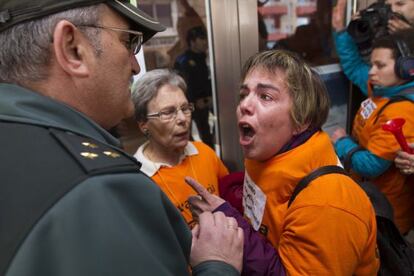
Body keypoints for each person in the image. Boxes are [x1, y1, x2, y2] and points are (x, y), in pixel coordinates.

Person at [0, 1, 243, 275]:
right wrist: (217, 265)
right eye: (128, 42)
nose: (135, 67)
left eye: (185, 108)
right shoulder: (101, 189)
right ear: (72, 48)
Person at [187, 50, 379, 275]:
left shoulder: (327, 203)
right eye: (244, 94)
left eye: (265, 96)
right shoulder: (269, 155)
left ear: (301, 121)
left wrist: (229, 231)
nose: (244, 105)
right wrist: (229, 215)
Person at [332, 0, 414, 234]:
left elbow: (372, 166)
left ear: (407, 68)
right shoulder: (381, 88)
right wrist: (342, 33)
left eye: (380, 65)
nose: (371, 71)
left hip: (387, 216)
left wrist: (341, 142)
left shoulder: (402, 111)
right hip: (369, 200)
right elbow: (353, 66)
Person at [131, 69, 228, 227]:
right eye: (168, 112)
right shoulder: (137, 179)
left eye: (185, 108)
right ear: (144, 124)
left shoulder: (204, 152)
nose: (183, 119)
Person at [174, 25, 214, 148]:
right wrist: (194, 102)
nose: (205, 42)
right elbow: (182, 86)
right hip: (189, 105)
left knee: (206, 134)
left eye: (205, 38)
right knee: (185, 135)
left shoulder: (205, 58)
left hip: (204, 103)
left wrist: (209, 97)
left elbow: (207, 81)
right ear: (192, 41)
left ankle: (209, 159)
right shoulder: (184, 60)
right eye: (201, 38)